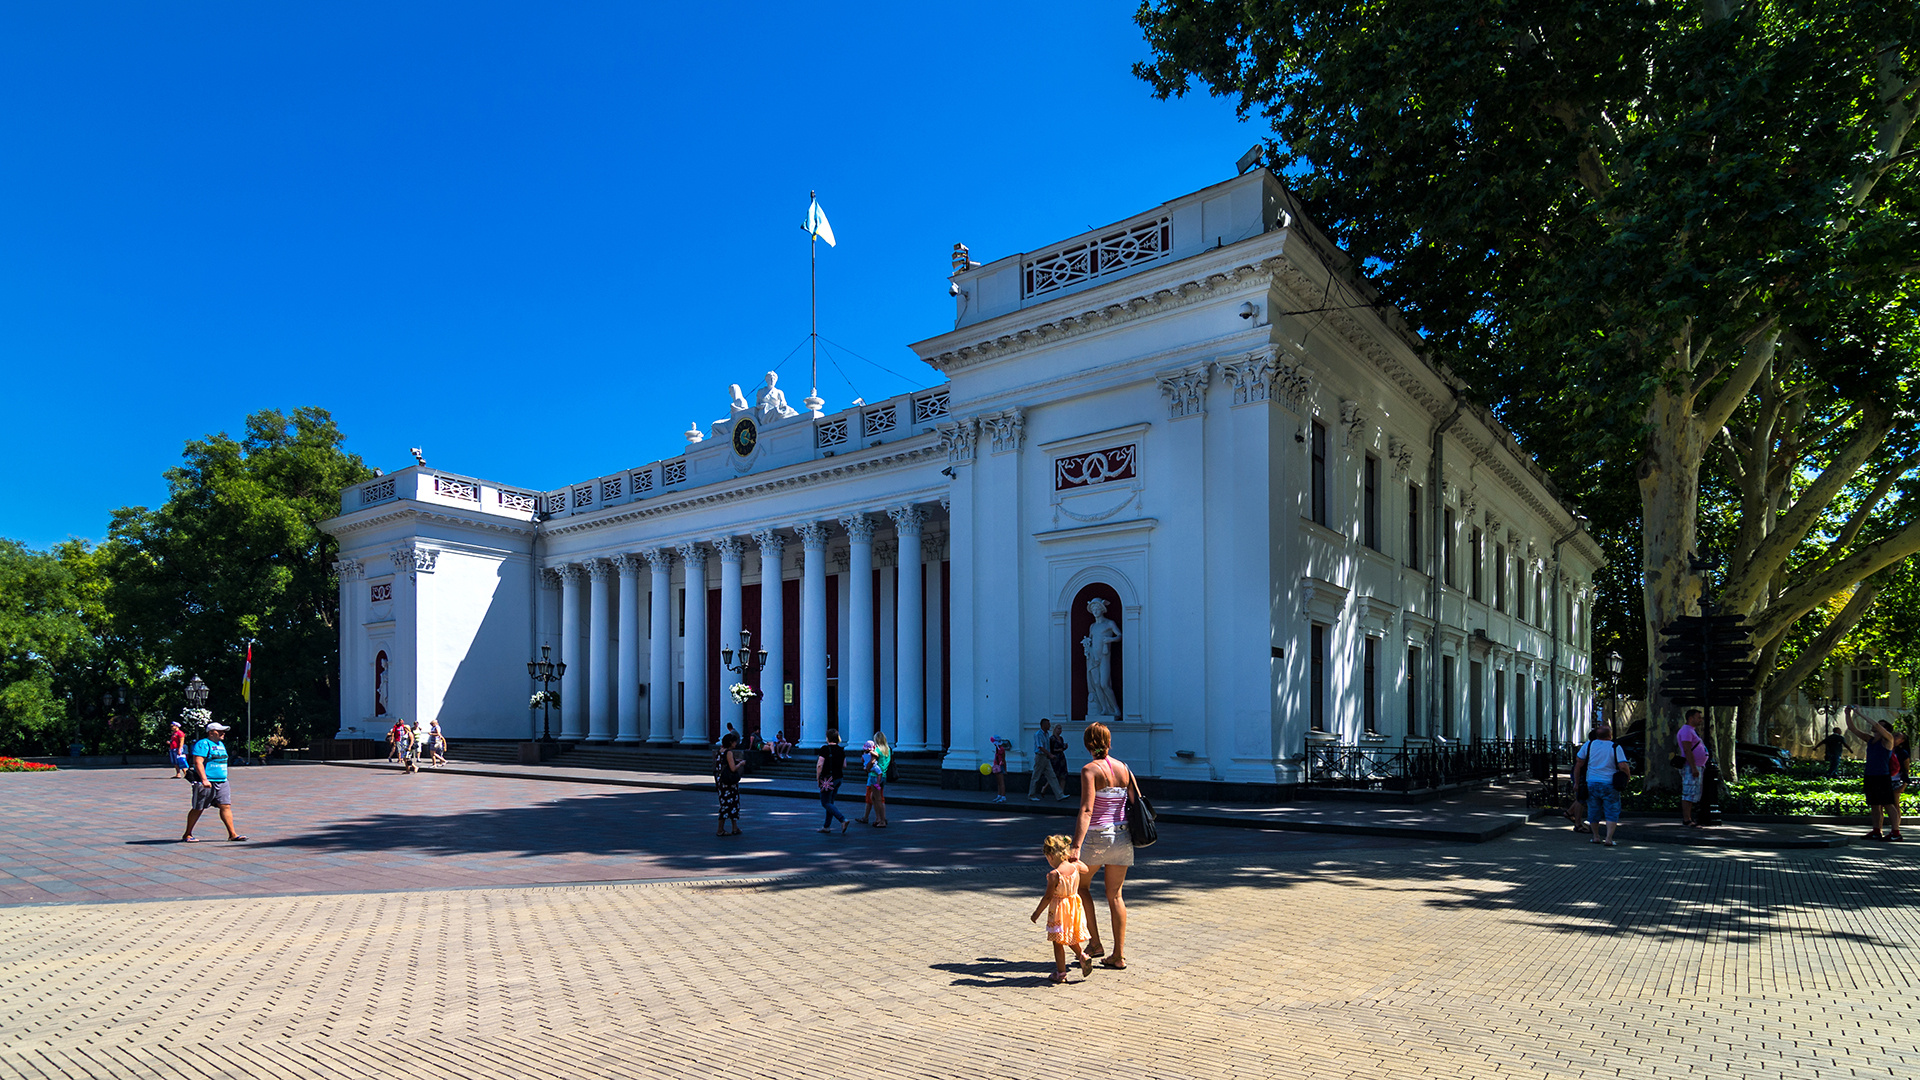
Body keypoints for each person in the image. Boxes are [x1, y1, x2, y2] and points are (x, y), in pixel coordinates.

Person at [1070, 721, 1134, 970]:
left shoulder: (1089, 770)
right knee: (1115, 895)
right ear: (1109, 742)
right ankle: (1118, 955)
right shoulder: (1124, 769)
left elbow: (1087, 810)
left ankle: (1095, 943)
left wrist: (1076, 845)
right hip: (1123, 836)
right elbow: (1132, 802)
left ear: (1087, 745)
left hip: (1098, 836)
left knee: (1080, 886)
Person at [1030, 835, 1094, 983]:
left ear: (1051, 856)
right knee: (1069, 935)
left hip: (1059, 909)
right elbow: (1086, 868)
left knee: (1058, 942)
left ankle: (1061, 974)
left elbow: (1047, 897)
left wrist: (1036, 913)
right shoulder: (1075, 867)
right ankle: (1083, 956)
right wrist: (1074, 860)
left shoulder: (1055, 875)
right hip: (1073, 908)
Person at [181, 722, 246, 842]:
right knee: (198, 807)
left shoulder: (221, 744)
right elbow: (198, 762)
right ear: (211, 733)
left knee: (225, 806)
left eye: (223, 731)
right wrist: (204, 779)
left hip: (222, 781)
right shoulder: (203, 744)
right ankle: (187, 834)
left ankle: (232, 834)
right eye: (219, 731)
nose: (223, 733)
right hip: (206, 782)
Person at [1847, 707, 1902, 841]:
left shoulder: (1888, 739)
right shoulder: (1870, 740)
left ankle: (1896, 832)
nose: (1875, 726)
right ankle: (1877, 830)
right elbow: (1852, 729)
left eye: (1880, 725)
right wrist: (1847, 713)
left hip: (1882, 776)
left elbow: (1876, 725)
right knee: (1874, 805)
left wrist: (1860, 713)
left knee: (1888, 804)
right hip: (1870, 775)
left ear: (1885, 729)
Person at [1576, 722, 1630, 846]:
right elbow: (1623, 765)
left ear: (1596, 735)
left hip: (1592, 782)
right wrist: (1628, 777)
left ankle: (1595, 836)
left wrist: (1577, 782)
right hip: (1609, 783)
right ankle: (1609, 838)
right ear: (1610, 735)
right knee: (1612, 810)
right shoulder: (1615, 747)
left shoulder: (1589, 745)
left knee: (1593, 810)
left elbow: (1579, 761)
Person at [1676, 709, 1709, 828]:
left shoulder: (1691, 731)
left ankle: (1689, 818)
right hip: (1691, 766)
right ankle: (1687, 819)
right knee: (1688, 793)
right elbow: (1687, 749)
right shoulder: (1686, 731)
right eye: (1698, 717)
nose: (1700, 720)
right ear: (1691, 718)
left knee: (1692, 792)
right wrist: (1693, 767)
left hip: (1697, 765)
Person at [816, 728, 850, 834]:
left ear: (827, 737)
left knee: (825, 802)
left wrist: (818, 778)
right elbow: (844, 765)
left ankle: (842, 819)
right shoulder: (841, 749)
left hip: (828, 779)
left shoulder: (825, 749)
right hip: (839, 778)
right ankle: (826, 827)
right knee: (830, 802)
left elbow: (819, 765)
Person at [858, 732, 891, 828]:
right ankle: (879, 819)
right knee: (874, 797)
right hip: (883, 775)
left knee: (878, 799)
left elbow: (872, 762)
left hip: (874, 776)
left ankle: (882, 820)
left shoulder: (877, 750)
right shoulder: (888, 750)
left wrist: (867, 768)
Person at [714, 732, 744, 837]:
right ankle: (720, 829)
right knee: (728, 805)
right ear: (731, 742)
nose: (736, 743)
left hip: (721, 782)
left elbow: (724, 763)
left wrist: (735, 761)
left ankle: (735, 828)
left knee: (730, 804)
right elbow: (733, 768)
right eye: (735, 741)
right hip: (729, 784)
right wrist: (740, 764)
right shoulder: (729, 752)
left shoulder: (720, 751)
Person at [1028, 720, 1065, 801]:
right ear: (1043, 725)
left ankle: (1059, 795)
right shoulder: (1038, 734)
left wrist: (1049, 755)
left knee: (1052, 776)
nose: (1049, 726)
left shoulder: (1046, 734)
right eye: (1048, 724)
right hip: (1040, 757)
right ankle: (1031, 795)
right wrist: (1050, 754)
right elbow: (1040, 747)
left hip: (1046, 757)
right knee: (1036, 776)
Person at [1049, 723, 1072, 801]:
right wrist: (1058, 750)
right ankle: (1046, 788)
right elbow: (1051, 749)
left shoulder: (1061, 738)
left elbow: (1061, 748)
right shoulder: (1052, 738)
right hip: (1055, 758)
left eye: (1061, 728)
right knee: (1055, 775)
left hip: (1061, 757)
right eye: (1058, 728)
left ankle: (1061, 792)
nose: (1060, 730)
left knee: (1063, 774)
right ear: (1055, 729)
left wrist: (1064, 747)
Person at [989, 736, 1011, 803]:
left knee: (1001, 782)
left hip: (1000, 766)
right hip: (997, 766)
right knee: (999, 782)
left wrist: (1005, 769)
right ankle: (999, 795)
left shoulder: (1001, 749)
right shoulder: (997, 749)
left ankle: (1003, 796)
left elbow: (1003, 760)